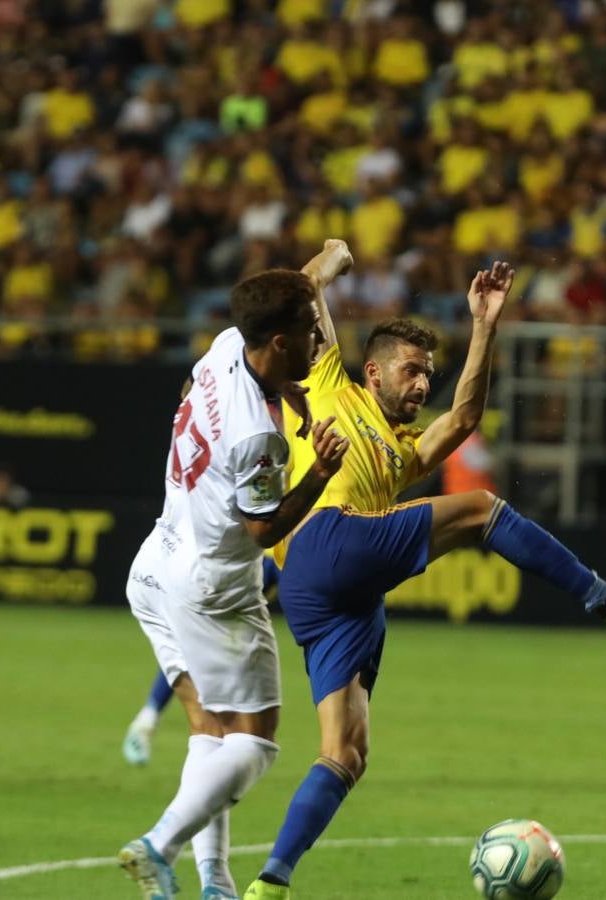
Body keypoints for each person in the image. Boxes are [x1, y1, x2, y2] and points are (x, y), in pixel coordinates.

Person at [243, 242, 606, 899]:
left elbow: (465, 417)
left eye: (429, 373)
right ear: (372, 371)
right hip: (321, 542)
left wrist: (484, 326)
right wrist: (327, 262)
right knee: (482, 509)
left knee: (346, 753)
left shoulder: (400, 450)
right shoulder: (327, 384)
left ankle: (270, 883)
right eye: (411, 372)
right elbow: (304, 296)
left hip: (332, 593)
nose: (423, 385)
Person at [118, 262, 351, 900]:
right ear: (280, 342)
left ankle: (215, 885)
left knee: (208, 728)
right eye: (310, 331)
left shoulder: (228, 346)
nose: (320, 342)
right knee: (256, 741)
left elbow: (278, 302)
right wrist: (320, 472)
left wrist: (323, 271)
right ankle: (157, 844)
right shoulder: (257, 440)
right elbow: (261, 529)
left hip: (157, 561)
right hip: (215, 587)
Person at [122, 555, 281, 767]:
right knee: (195, 648)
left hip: (265, 557)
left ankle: (149, 719)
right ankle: (150, 720)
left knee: (195, 648)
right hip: (253, 558)